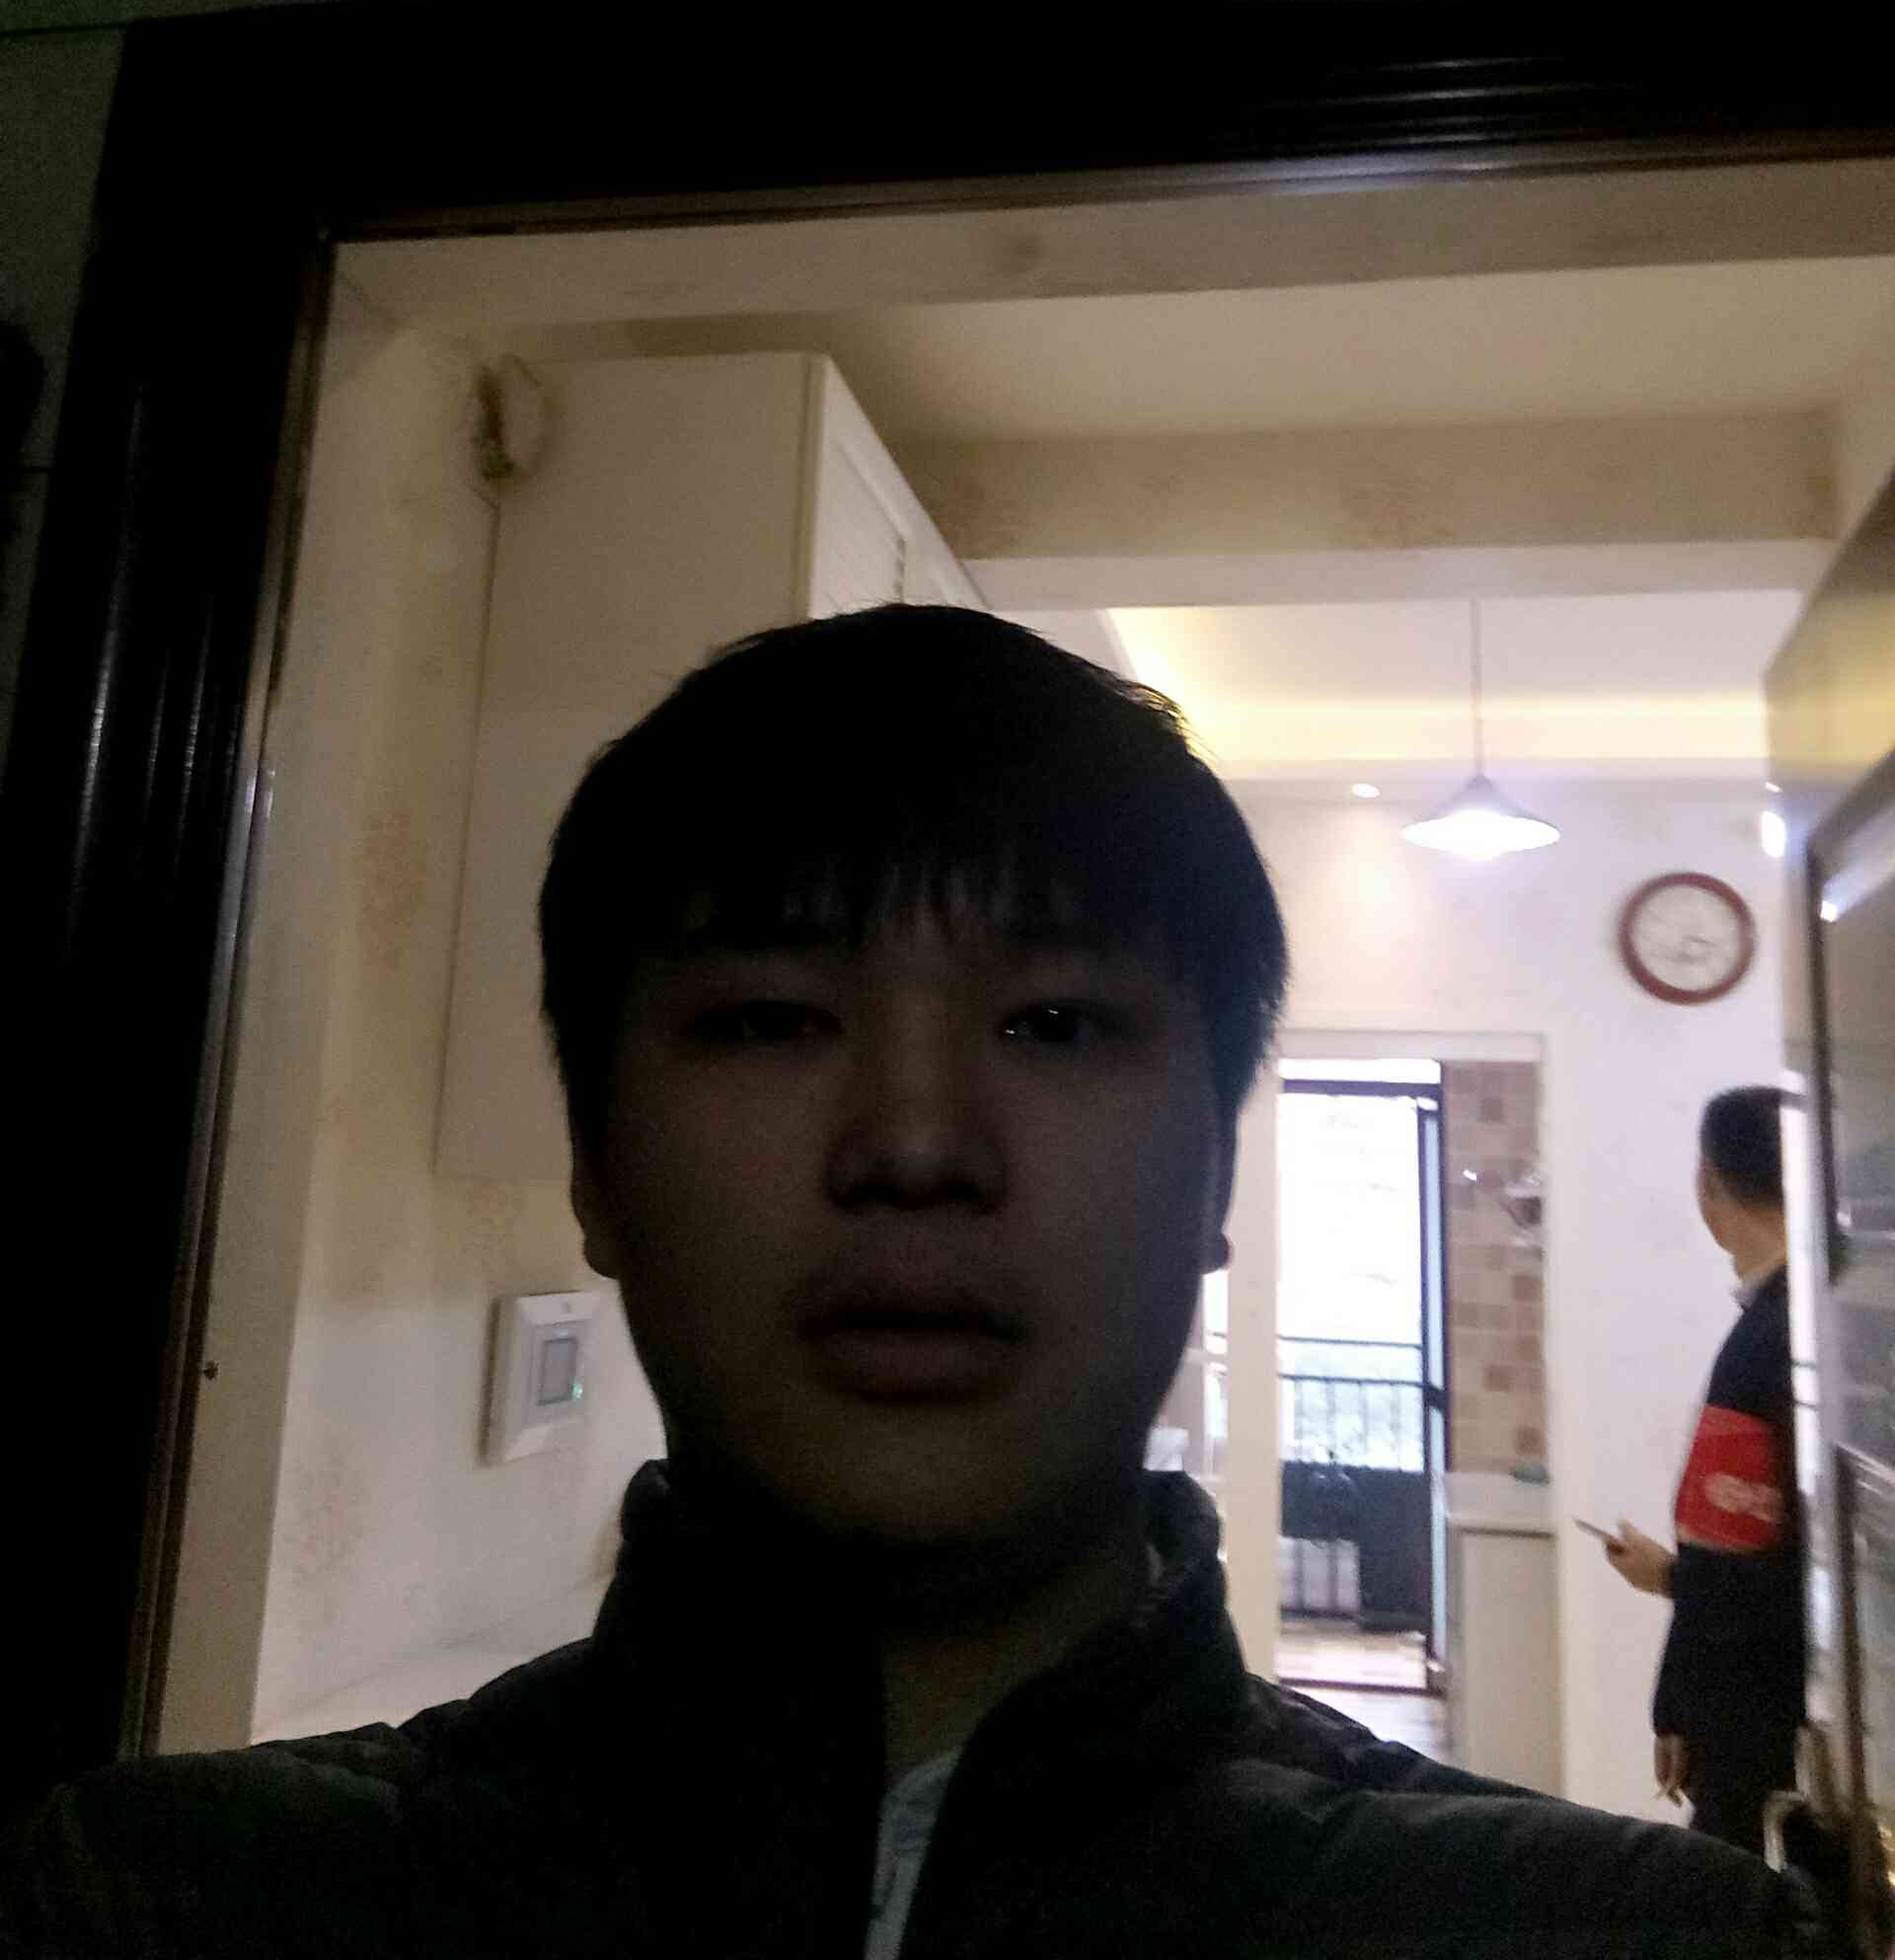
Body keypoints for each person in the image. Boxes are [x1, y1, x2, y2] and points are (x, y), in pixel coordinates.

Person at [2, 609, 1835, 1954]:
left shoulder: (1631, 1940)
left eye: (1056, 1021)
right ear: (596, 1170)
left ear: (1217, 1178)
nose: (914, 1142)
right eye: (770, 1018)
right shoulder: (170, 1908)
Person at [1601, 1085, 1805, 1858]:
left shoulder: (1764, 1344)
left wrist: (1665, 1576)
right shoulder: (1795, 1324)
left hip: (1756, 1727)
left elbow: (1749, 1574)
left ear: (1707, 1181)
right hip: (1766, 1713)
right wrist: (1676, 1707)